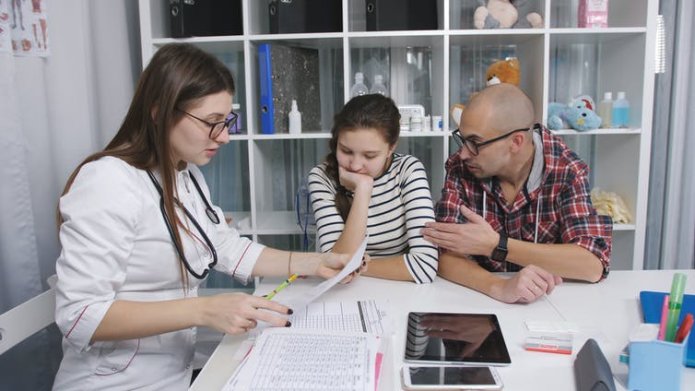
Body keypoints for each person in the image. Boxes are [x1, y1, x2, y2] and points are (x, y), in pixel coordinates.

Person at [53, 43, 362, 390]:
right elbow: (79, 316)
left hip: (178, 374)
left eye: (227, 121)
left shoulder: (185, 174)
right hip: (116, 383)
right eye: (212, 123)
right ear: (160, 113)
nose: (226, 136)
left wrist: (313, 263)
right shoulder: (108, 181)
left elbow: (224, 246)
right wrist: (204, 310)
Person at [422, 84, 612, 303]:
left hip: (550, 305)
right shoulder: (461, 167)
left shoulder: (567, 169)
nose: (463, 153)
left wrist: (495, 245)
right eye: (462, 140)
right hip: (481, 301)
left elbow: (591, 264)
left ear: (516, 142)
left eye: (474, 142)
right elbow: (444, 254)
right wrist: (500, 287)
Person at [308, 94, 438, 284]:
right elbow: (334, 266)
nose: (355, 165)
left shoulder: (408, 170)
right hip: (344, 291)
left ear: (391, 148)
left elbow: (424, 267)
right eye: (346, 151)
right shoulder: (321, 177)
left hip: (402, 289)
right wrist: (363, 189)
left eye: (369, 156)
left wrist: (353, 267)